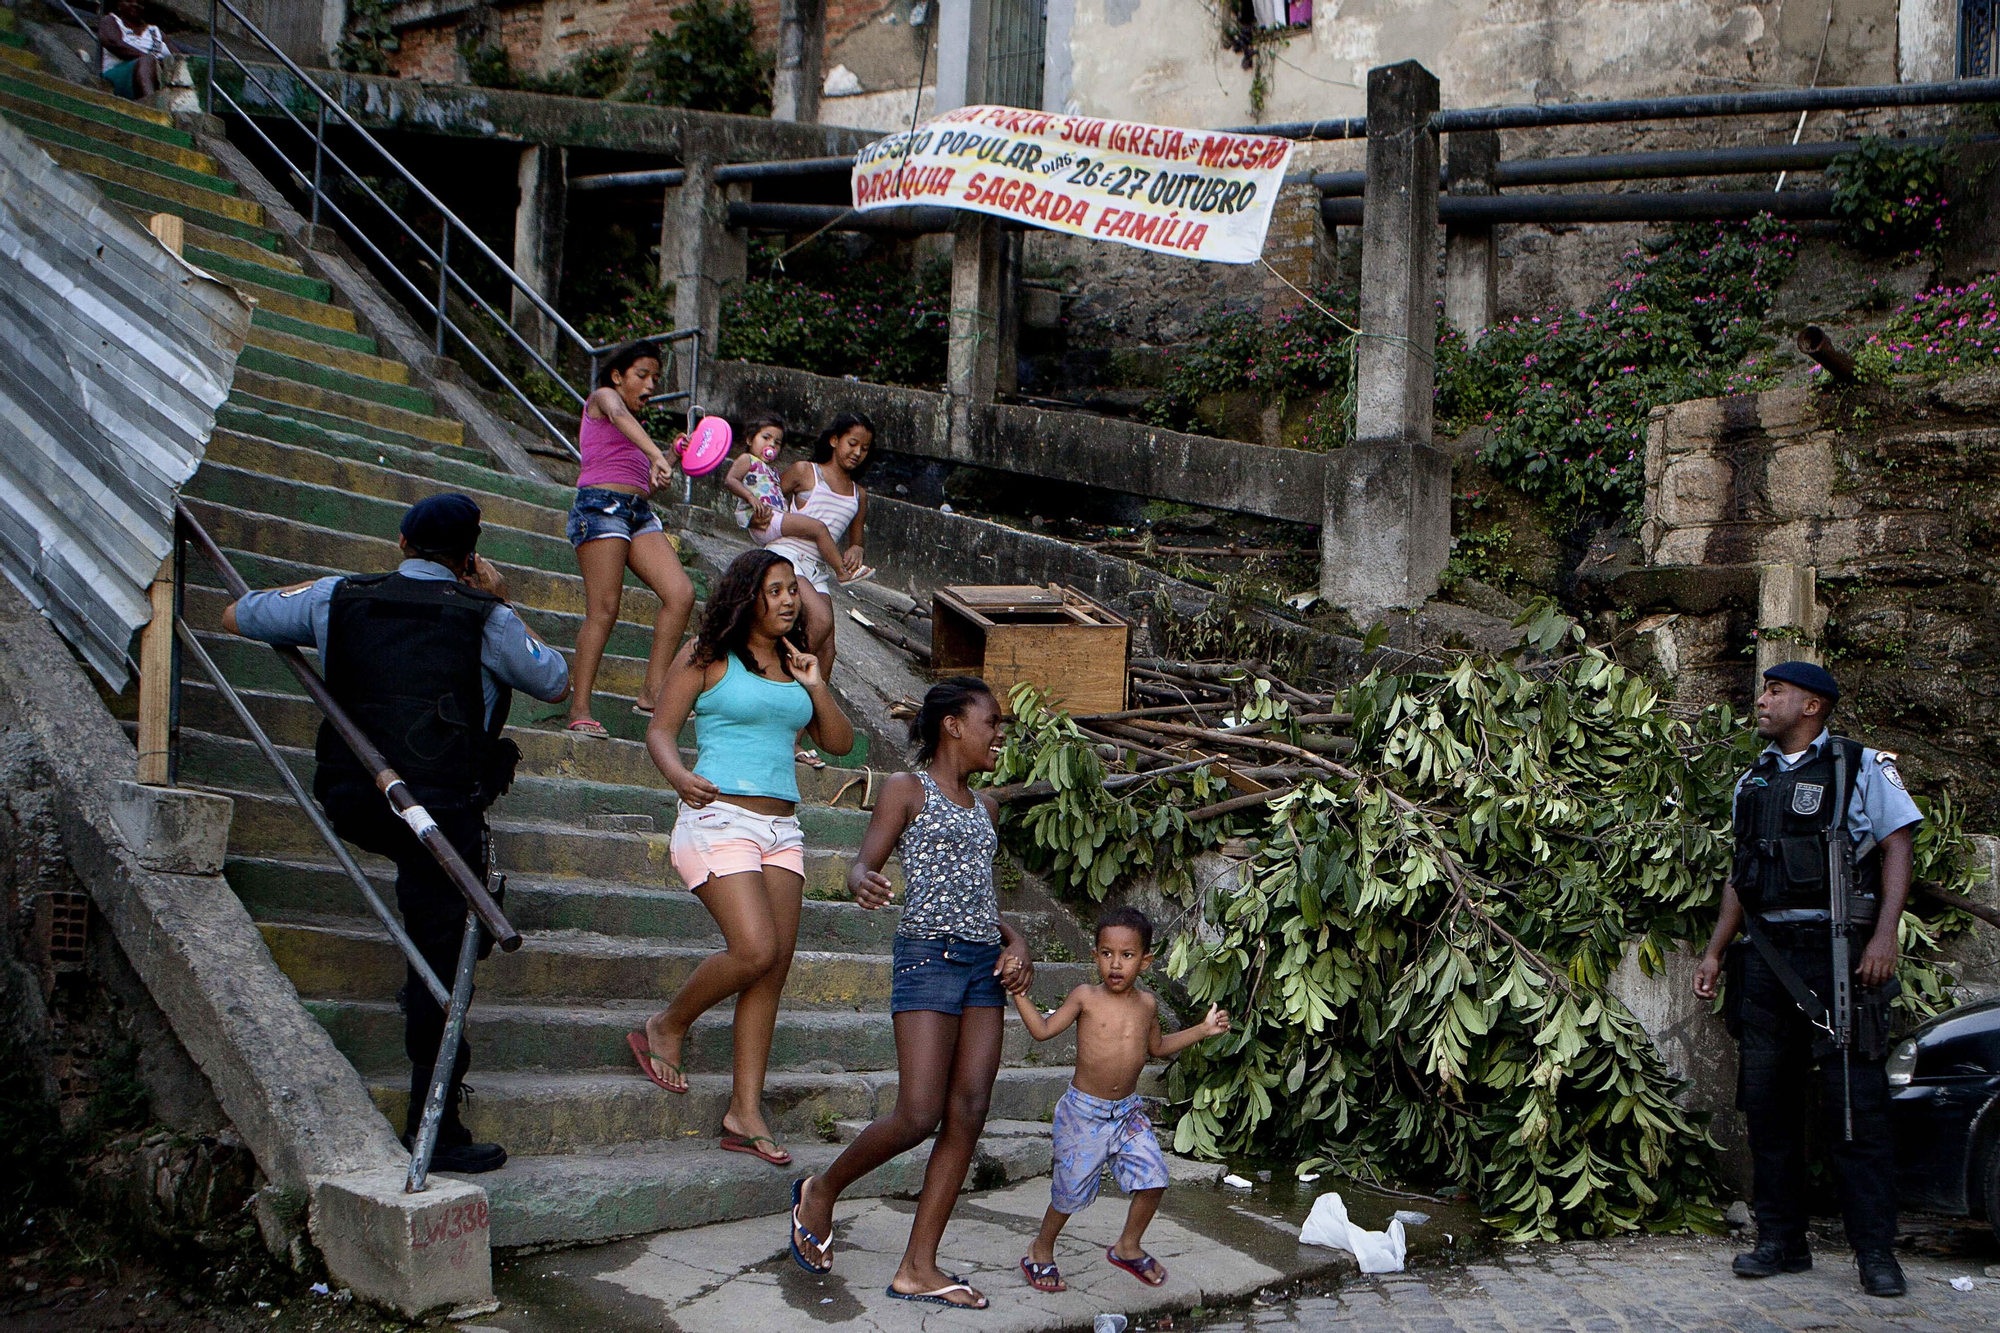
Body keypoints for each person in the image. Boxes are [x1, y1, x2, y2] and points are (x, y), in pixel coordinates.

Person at [222, 494, 571, 1173]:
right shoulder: (487, 616)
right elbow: (553, 679)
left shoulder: (339, 598)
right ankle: (434, 1128)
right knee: (441, 955)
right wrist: (501, 596)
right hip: (440, 811)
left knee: (434, 926)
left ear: (402, 540)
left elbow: (239, 612)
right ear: (471, 554)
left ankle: (432, 1086)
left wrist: (325, 599)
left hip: (354, 794)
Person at [788, 678, 1034, 1310]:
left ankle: (918, 1267)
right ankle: (822, 1190)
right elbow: (861, 864)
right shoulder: (906, 790)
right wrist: (862, 880)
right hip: (928, 957)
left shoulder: (988, 808)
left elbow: (983, 901)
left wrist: (1017, 942)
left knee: (971, 1109)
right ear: (953, 725)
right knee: (919, 1112)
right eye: (991, 723)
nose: (999, 735)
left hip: (983, 965)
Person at [1692, 661, 1923, 1299]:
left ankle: (1876, 1254)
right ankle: (1781, 1242)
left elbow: (1897, 843)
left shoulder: (1859, 766)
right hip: (1765, 957)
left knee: (1856, 1107)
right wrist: (1717, 950)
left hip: (1840, 954)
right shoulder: (1755, 779)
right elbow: (1742, 872)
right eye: (1764, 690)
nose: (1762, 701)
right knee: (1767, 1105)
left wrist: (1884, 937)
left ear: (1812, 705)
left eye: (1775, 692)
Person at [632, 550, 856, 1169]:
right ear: (747, 597)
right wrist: (679, 775)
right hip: (717, 817)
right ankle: (668, 1025)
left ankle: (744, 1110)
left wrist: (815, 682)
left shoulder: (797, 662)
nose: (789, 601)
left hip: (781, 829)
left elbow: (837, 744)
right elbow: (660, 729)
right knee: (754, 948)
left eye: (793, 592)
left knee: (773, 968)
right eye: (776, 591)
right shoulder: (707, 657)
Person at [1011, 906, 1230, 1292]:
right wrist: (1019, 994)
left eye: (1127, 956)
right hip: (1083, 1113)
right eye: (1107, 953)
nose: (1116, 964)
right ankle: (1040, 1250)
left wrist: (1203, 1029)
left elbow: (1158, 1048)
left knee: (1154, 1179)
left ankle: (1128, 1246)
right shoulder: (1085, 997)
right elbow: (1043, 1031)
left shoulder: (1147, 1005)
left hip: (1127, 1113)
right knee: (1069, 1192)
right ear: (1095, 954)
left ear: (1145, 961)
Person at [565, 339, 696, 736]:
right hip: (599, 509)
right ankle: (580, 707)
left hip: (637, 513)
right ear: (619, 375)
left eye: (656, 377)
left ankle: (652, 692)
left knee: (681, 594)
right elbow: (619, 413)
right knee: (604, 610)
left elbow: (646, 486)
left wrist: (671, 457)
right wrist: (657, 452)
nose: (651, 384)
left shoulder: (636, 437)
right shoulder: (603, 397)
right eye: (643, 375)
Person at [770, 411, 875, 674]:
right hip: (787, 556)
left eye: (864, 448)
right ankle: (777, 674)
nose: (857, 452)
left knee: (828, 651)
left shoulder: (858, 495)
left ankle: (813, 711)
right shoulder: (805, 471)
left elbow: (856, 541)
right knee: (820, 618)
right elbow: (768, 498)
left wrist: (855, 550)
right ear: (834, 440)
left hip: (817, 569)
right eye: (852, 443)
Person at [720, 411, 866, 583]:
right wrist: (751, 500)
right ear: (750, 439)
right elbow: (730, 480)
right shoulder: (747, 460)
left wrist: (858, 548)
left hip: (777, 525)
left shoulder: (770, 471)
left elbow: (776, 495)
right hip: (770, 523)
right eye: (766, 438)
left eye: (777, 442)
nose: (771, 445)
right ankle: (842, 572)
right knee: (817, 528)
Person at [100, 1, 169, 101]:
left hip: (159, 72)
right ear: (119, 4)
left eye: (140, 2)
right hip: (119, 74)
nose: (135, 4)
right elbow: (112, 43)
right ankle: (150, 103)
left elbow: (180, 56)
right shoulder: (111, 21)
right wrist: (152, 60)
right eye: (130, 0)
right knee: (147, 60)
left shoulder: (155, 31)